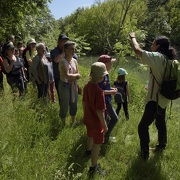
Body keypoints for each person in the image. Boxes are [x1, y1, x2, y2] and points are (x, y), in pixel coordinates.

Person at [129, 32, 176, 159]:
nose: (151, 45)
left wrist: (133, 37)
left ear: (158, 45)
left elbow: (137, 50)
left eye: (153, 43)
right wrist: (150, 87)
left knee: (142, 126)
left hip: (154, 100)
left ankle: (144, 154)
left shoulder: (157, 56)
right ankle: (162, 146)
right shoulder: (168, 59)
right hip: (164, 97)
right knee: (161, 122)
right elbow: (162, 77)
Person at [83, 62, 108, 175]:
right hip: (97, 122)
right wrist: (105, 125)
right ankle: (93, 167)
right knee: (97, 144)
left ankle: (88, 152)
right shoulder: (99, 92)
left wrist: (85, 114)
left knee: (89, 135)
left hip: (88, 119)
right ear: (100, 77)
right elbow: (99, 111)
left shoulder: (86, 86)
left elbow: (84, 102)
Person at [58, 41, 81, 125]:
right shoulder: (63, 61)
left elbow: (78, 73)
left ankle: (73, 121)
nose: (73, 50)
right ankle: (63, 122)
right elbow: (67, 76)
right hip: (64, 85)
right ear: (66, 50)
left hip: (73, 85)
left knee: (74, 103)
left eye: (74, 49)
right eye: (71, 49)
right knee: (64, 104)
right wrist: (76, 76)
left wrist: (75, 76)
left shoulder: (74, 61)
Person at [98, 55, 118, 143]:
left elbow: (105, 88)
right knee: (114, 118)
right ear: (104, 64)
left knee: (106, 119)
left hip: (107, 100)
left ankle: (103, 136)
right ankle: (105, 136)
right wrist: (110, 92)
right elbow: (98, 91)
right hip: (104, 101)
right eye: (110, 63)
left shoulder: (106, 73)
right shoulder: (100, 76)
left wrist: (111, 89)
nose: (111, 64)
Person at [50, 34, 69, 104]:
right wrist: (63, 52)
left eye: (66, 41)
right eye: (63, 41)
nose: (65, 43)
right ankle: (63, 112)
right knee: (61, 96)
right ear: (58, 41)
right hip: (59, 77)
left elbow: (75, 58)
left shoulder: (69, 51)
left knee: (69, 95)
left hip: (68, 76)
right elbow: (56, 60)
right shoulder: (54, 51)